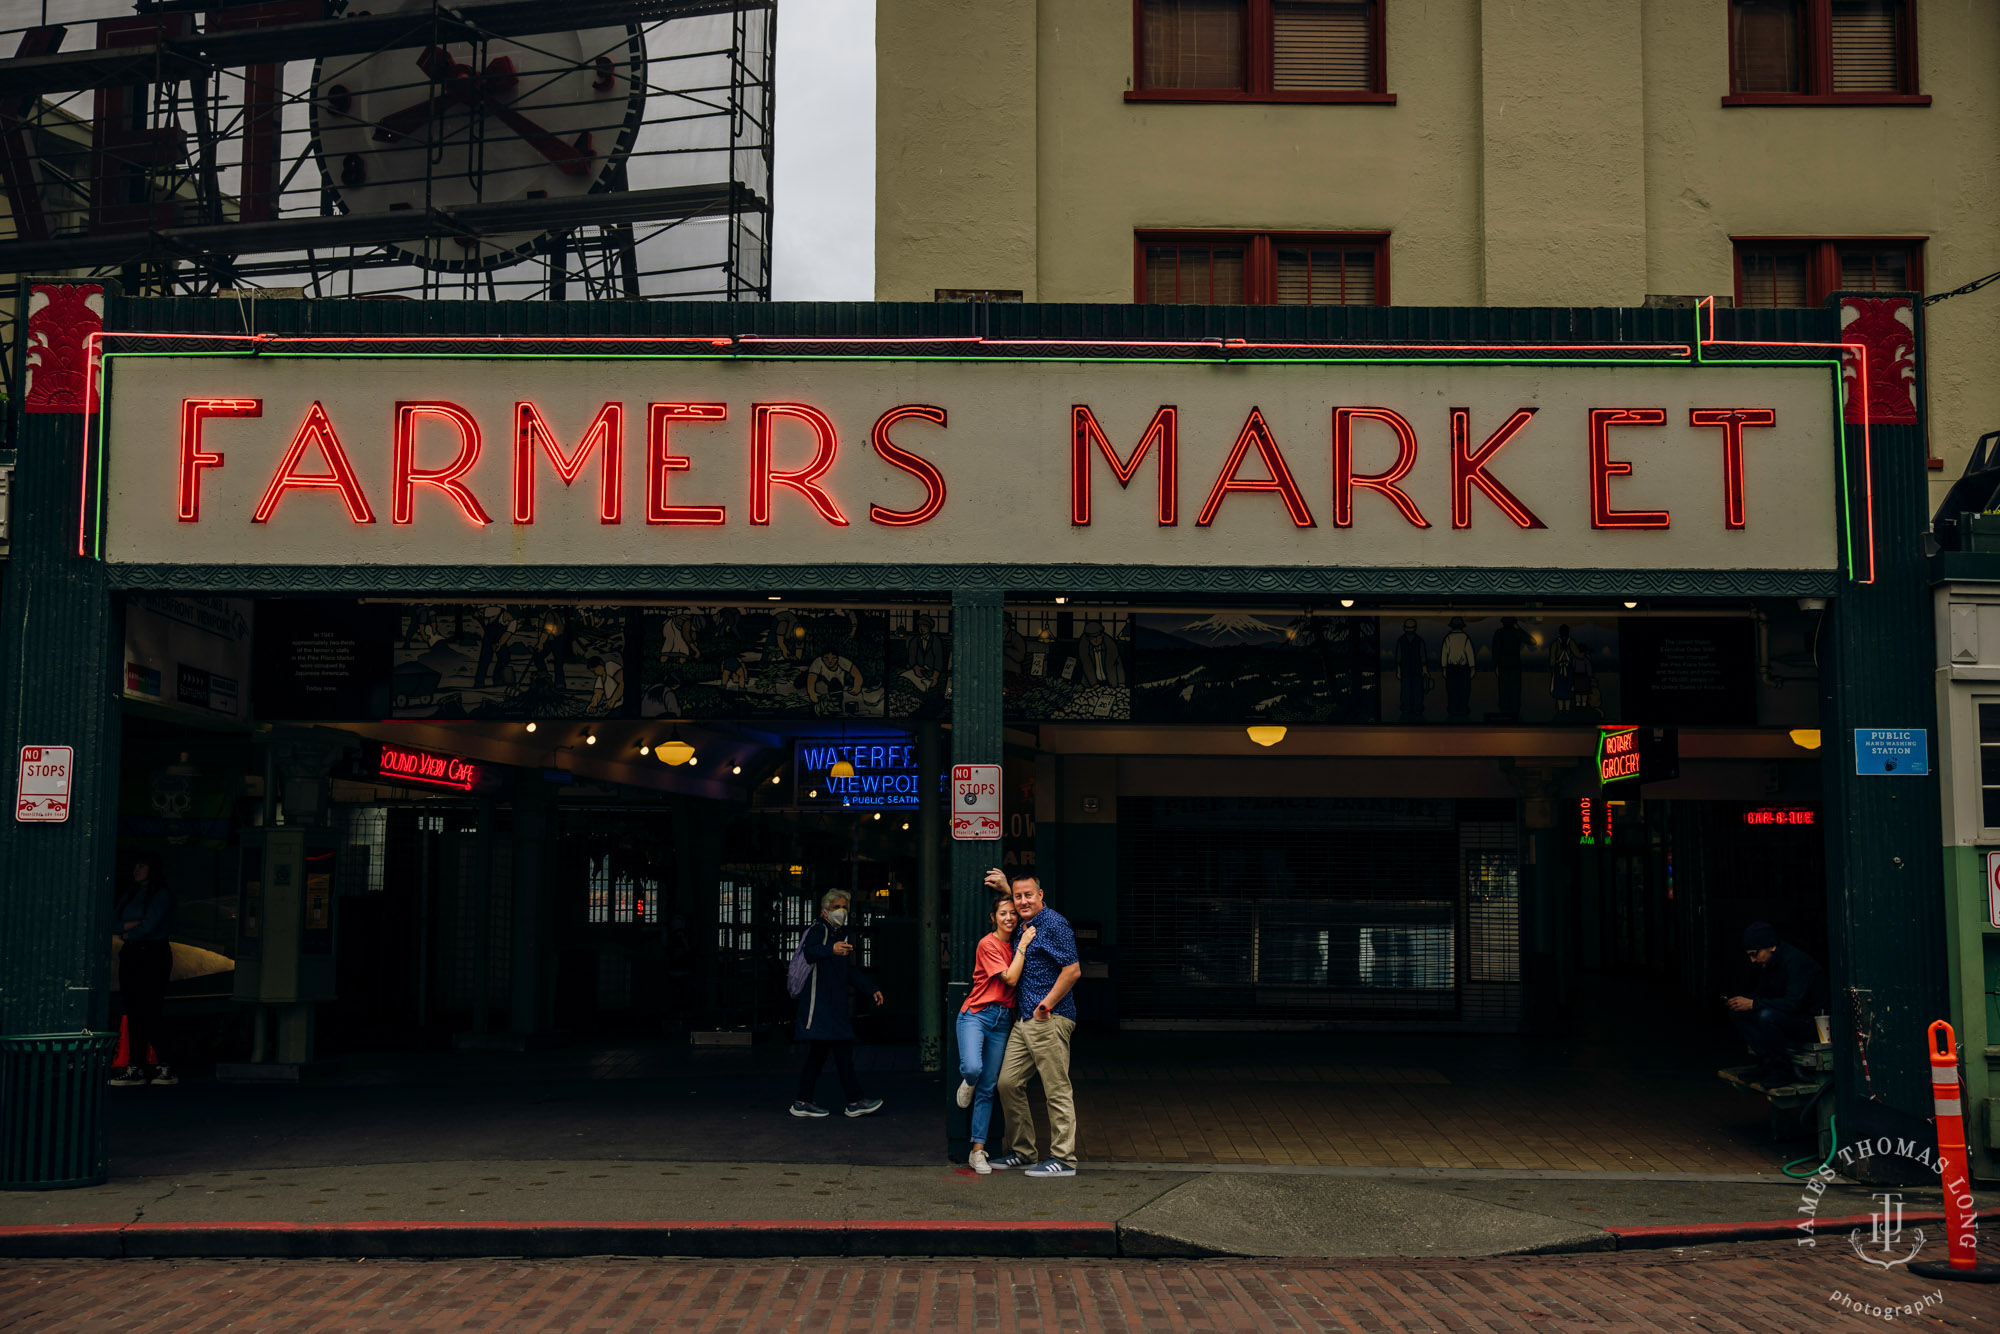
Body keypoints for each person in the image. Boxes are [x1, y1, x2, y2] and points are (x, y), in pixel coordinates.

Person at [985, 869, 1083, 1177]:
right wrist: (1006, 887)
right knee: (1008, 1083)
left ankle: (1064, 1159)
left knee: (1056, 1089)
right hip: (1025, 1018)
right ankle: (1024, 1151)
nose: (1024, 901)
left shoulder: (1054, 924)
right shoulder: (1025, 924)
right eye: (1018, 896)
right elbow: (1014, 904)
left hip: (1049, 1018)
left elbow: (1073, 970)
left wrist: (1046, 1005)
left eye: (1030, 895)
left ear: (1042, 895)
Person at [955, 897, 1036, 1174]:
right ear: (993, 917)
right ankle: (968, 1081)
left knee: (989, 1088)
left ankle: (977, 1151)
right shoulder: (987, 944)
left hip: (1003, 1020)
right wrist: (1024, 945)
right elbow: (1010, 979)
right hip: (976, 1014)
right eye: (1003, 913)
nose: (1009, 917)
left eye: (1013, 913)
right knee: (973, 1068)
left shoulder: (1015, 943)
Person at [790, 889, 886, 1118]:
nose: (841, 912)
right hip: (821, 1005)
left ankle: (806, 1101)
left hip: (830, 1007)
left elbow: (847, 970)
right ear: (825, 910)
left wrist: (870, 988)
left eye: (844, 907)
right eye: (836, 908)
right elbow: (809, 952)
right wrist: (830, 950)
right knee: (836, 1053)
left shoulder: (837, 934)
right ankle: (853, 1101)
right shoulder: (820, 930)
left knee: (822, 1055)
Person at [1725, 921, 1826, 1088]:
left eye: (1754, 954)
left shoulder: (1797, 961)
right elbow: (1763, 996)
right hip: (1788, 1018)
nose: (1752, 960)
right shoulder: (1769, 963)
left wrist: (1754, 1003)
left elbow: (1793, 1004)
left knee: (1767, 1017)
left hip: (1811, 1023)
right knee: (1738, 1011)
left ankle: (1782, 1070)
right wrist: (1741, 1001)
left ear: (1771, 946)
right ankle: (1767, 1063)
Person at [110, 858, 177, 1087]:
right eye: (135, 865)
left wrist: (129, 930)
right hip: (132, 953)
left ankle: (166, 1064)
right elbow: (112, 922)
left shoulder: (161, 895)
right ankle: (135, 1066)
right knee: (133, 1011)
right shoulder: (131, 893)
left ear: (152, 869)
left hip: (153, 953)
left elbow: (151, 925)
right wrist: (129, 926)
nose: (136, 870)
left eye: (141, 866)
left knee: (150, 1009)